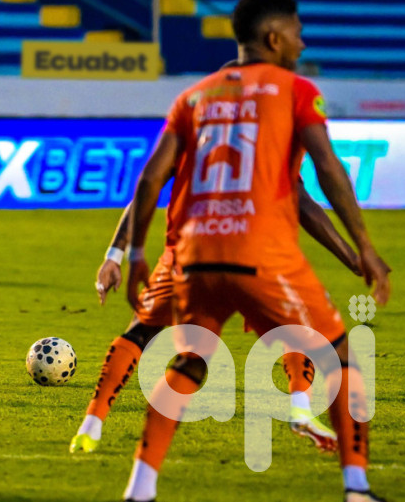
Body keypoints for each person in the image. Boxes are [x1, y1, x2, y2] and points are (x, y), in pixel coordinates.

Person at [120, 0, 391, 502]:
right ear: (273, 37)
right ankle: (356, 486)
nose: (302, 43)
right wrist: (365, 246)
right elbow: (327, 170)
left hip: (196, 256)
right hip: (263, 253)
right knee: (341, 353)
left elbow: (151, 178)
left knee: (190, 363)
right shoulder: (294, 90)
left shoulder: (194, 96)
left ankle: (140, 488)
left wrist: (135, 253)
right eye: (297, 33)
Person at [70, 174, 362, 455]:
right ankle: (302, 408)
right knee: (294, 327)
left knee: (149, 335)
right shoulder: (267, 135)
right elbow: (303, 202)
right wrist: (353, 256)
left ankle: (93, 426)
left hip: (190, 252)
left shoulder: (192, 126)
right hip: (253, 251)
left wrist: (115, 255)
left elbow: (149, 183)